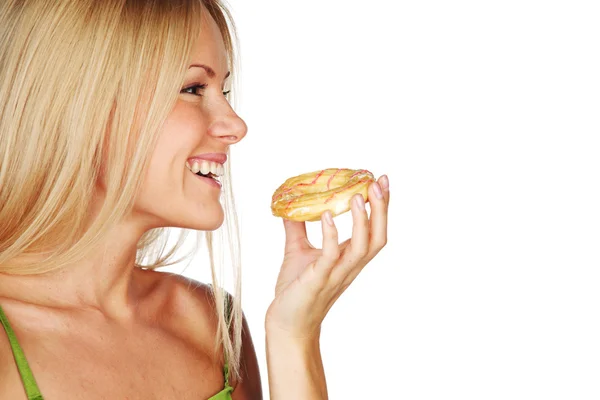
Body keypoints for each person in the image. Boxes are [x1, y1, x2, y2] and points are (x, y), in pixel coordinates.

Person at [0, 0, 390, 398]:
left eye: (223, 89)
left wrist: (294, 333)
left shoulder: (210, 323)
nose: (236, 125)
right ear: (78, 109)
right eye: (192, 89)